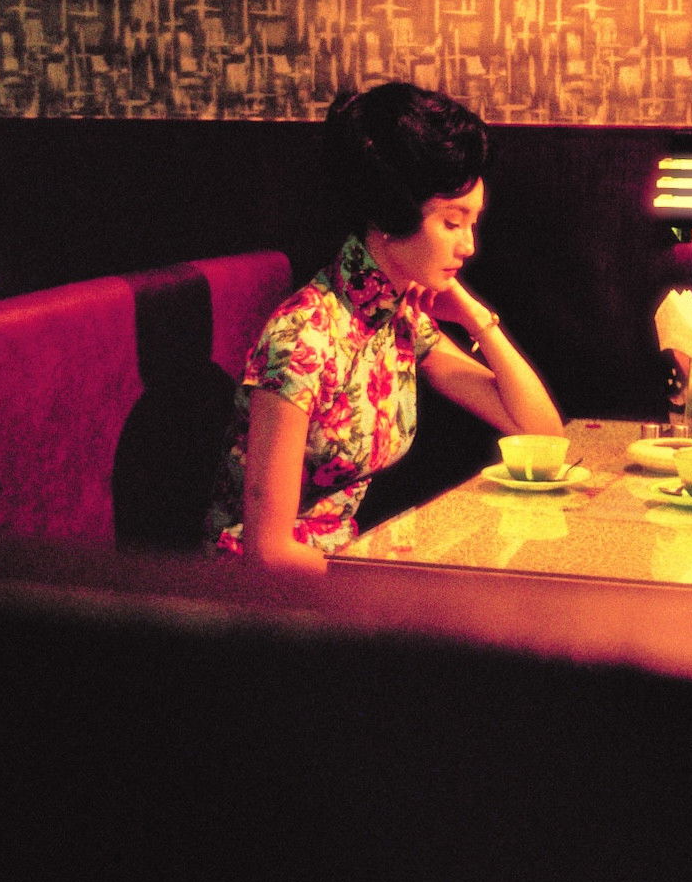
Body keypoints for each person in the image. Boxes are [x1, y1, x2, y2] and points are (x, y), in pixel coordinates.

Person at [205, 82, 564, 573]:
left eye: (472, 223)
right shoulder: (302, 338)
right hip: (265, 593)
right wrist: (385, 586)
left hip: (341, 568)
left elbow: (541, 433)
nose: (468, 246)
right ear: (391, 213)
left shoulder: (398, 316)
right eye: (452, 223)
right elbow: (267, 553)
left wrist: (476, 318)